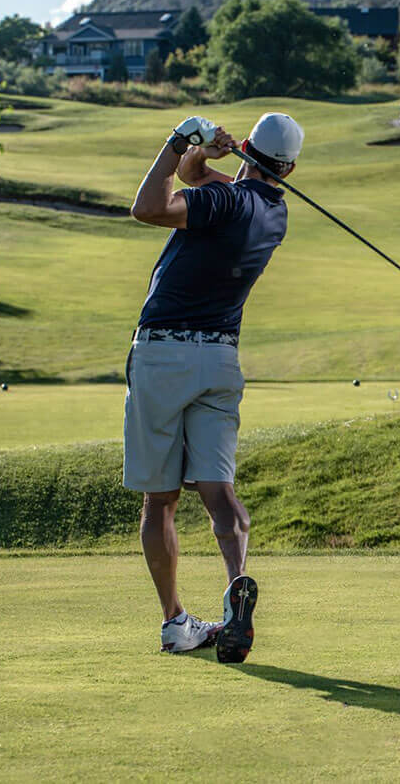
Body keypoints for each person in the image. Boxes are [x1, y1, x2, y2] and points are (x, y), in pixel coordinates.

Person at [125, 111, 304, 662]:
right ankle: (235, 587)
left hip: (163, 354)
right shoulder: (275, 212)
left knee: (161, 501)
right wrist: (205, 158)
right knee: (219, 492)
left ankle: (176, 623)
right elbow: (201, 181)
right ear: (290, 168)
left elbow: (149, 206)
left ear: (249, 148)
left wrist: (180, 141)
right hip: (220, 359)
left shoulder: (225, 202)